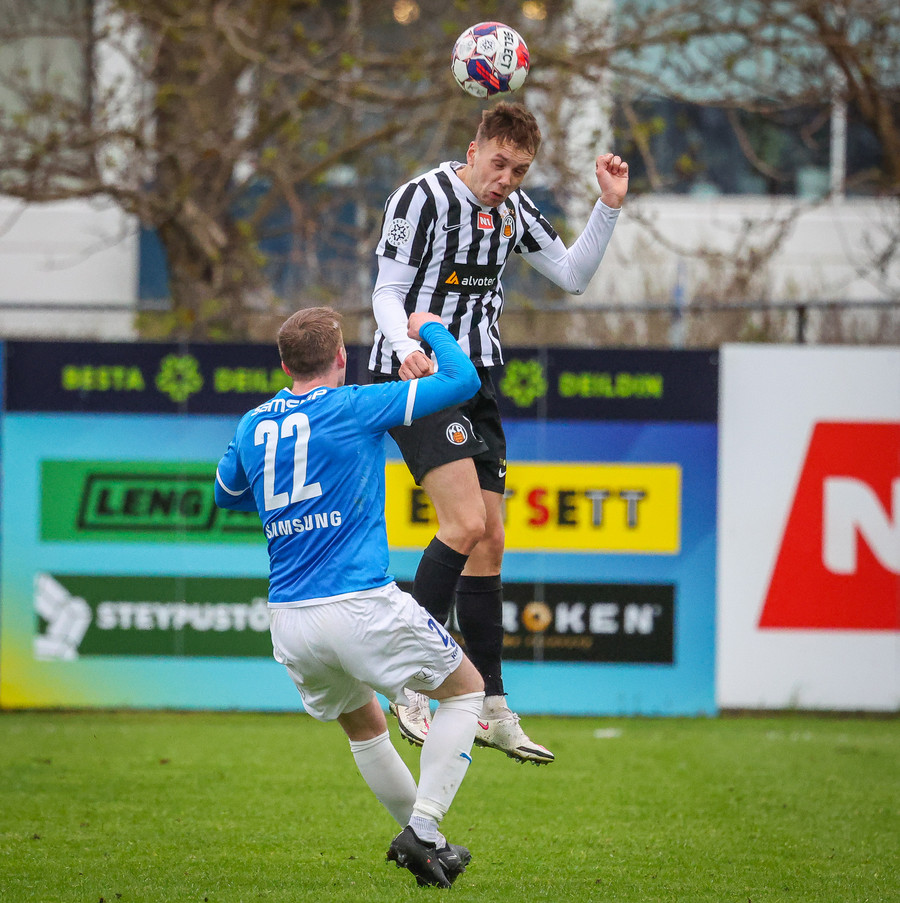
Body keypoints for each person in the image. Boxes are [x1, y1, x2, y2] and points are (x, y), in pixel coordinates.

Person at [369, 101, 629, 765]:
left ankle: (491, 706)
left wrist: (607, 207)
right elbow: (386, 291)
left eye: (518, 170)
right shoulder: (422, 198)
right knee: (463, 523)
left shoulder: (512, 211)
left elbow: (572, 276)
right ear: (474, 149)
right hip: (419, 374)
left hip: (477, 380)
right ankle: (410, 682)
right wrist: (406, 346)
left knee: (490, 542)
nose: (505, 179)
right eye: (498, 163)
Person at [214, 306, 485, 889]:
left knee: (364, 726)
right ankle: (424, 828)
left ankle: (430, 849)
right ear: (341, 356)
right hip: (359, 604)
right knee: (467, 692)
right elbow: (462, 380)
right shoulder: (357, 404)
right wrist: (429, 327)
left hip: (290, 618)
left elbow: (227, 494)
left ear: (285, 365)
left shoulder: (252, 424)